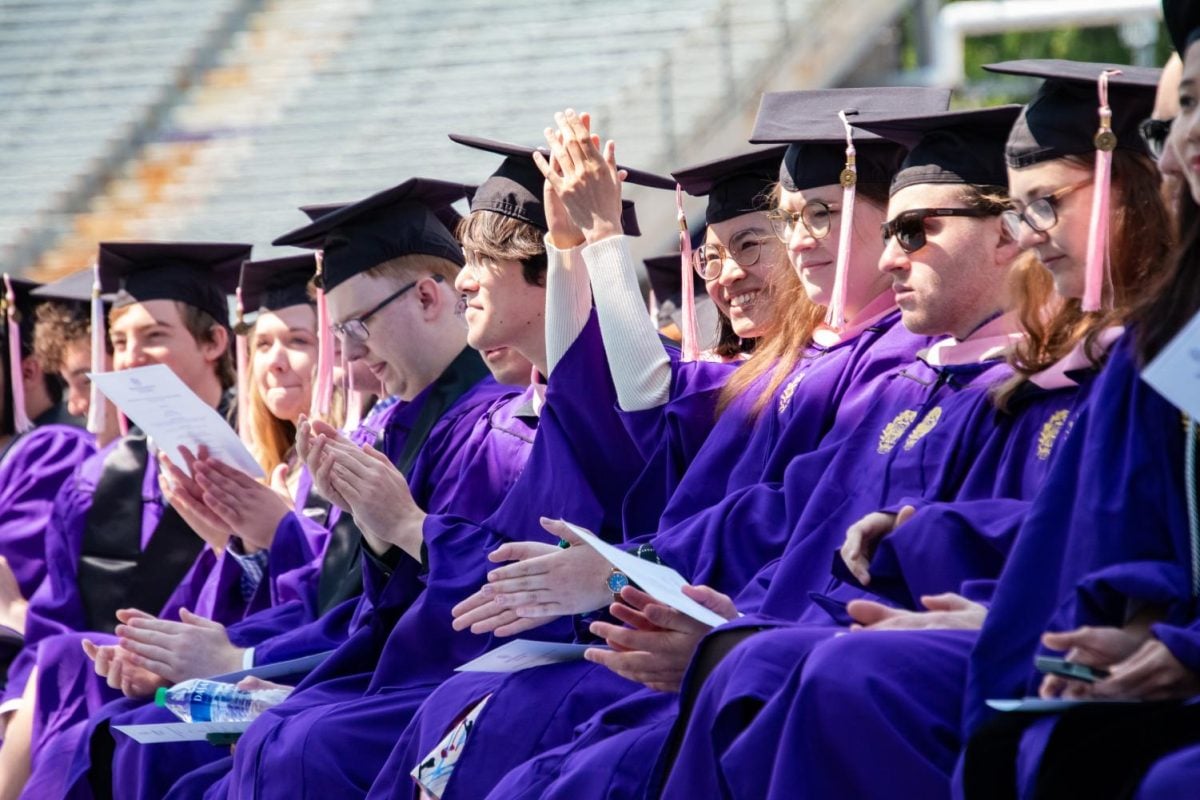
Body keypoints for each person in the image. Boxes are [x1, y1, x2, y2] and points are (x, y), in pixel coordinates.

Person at [372, 89, 954, 800]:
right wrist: (572, 246)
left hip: (767, 654)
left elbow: (650, 402)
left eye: (814, 218)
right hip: (717, 641)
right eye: (794, 220)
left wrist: (632, 576)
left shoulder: (893, 374)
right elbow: (621, 397)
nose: (801, 241)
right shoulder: (793, 372)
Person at [0, 241, 251, 800]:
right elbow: (54, 628)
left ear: (215, 342)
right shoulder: (90, 482)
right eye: (117, 342)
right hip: (85, 699)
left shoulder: (258, 468)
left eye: (153, 336)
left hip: (205, 696)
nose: (129, 357)